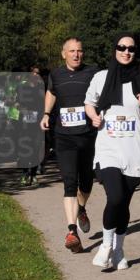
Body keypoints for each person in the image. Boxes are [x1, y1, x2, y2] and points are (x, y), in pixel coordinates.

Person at [84, 32, 140, 271]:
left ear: (136, 52)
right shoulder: (101, 77)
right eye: (122, 47)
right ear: (114, 49)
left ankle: (118, 250)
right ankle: (106, 246)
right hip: (108, 148)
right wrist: (94, 116)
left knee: (123, 204)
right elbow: (89, 102)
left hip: (134, 150)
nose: (126, 52)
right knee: (115, 197)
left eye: (131, 49)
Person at [41, 39, 100, 252]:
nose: (76, 55)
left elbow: (102, 96)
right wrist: (46, 114)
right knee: (69, 182)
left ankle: (81, 208)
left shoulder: (93, 73)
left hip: (88, 136)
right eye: (72, 51)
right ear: (63, 53)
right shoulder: (56, 75)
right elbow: (52, 93)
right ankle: (71, 231)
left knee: (86, 181)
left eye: (80, 51)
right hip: (64, 136)